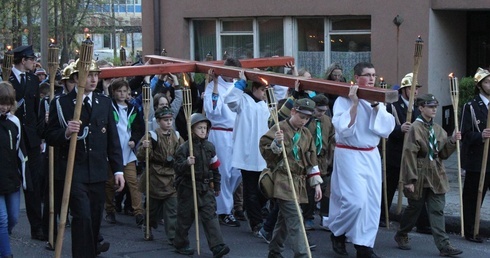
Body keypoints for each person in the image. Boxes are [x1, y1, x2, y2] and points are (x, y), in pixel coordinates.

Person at [45, 59, 125, 258]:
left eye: (96, 75)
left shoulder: (104, 103)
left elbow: (112, 140)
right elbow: (49, 136)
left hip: (97, 172)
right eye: (89, 75)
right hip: (73, 172)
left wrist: (118, 170)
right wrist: (65, 132)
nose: (93, 79)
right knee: (83, 218)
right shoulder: (62, 103)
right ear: (76, 77)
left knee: (95, 220)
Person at [328, 62, 395, 258]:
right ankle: (337, 231)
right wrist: (355, 104)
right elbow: (343, 127)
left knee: (372, 202)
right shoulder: (343, 99)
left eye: (374, 74)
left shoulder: (377, 100)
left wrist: (376, 107)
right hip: (349, 153)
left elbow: (385, 129)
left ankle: (364, 245)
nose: (372, 78)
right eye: (367, 75)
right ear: (357, 78)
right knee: (355, 201)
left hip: (371, 154)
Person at [394, 93, 463, 257]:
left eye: (435, 107)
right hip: (419, 173)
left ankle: (444, 245)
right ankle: (402, 233)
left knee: (437, 209)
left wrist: (452, 141)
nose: (434, 110)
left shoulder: (438, 130)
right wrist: (409, 179)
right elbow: (409, 154)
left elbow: (443, 154)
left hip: (436, 174)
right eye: (430, 107)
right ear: (421, 108)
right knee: (414, 209)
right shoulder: (414, 129)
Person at [259, 98, 323, 258]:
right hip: (282, 179)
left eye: (307, 118)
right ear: (293, 111)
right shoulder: (279, 129)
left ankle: (274, 250)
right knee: (295, 217)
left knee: (283, 219)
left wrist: (316, 184)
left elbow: (311, 159)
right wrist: (276, 144)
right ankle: (302, 254)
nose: (304, 121)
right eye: (301, 116)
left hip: (298, 181)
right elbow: (266, 152)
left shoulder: (307, 134)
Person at [172, 113, 230, 257]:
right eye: (199, 128)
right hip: (188, 188)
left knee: (210, 216)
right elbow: (177, 167)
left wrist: (216, 186)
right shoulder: (185, 148)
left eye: (205, 128)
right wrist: (187, 163)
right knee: (185, 217)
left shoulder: (210, 147)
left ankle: (217, 245)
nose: (203, 131)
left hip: (205, 188)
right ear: (192, 130)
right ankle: (181, 243)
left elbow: (215, 168)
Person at [382, 73, 431, 232]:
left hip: (412, 155)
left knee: (417, 189)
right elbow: (384, 128)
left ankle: (422, 222)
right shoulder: (393, 105)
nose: (415, 91)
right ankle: (382, 216)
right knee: (389, 186)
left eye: (417, 88)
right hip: (395, 153)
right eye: (412, 88)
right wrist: (399, 129)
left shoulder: (418, 107)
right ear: (404, 89)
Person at [223, 69, 270, 229]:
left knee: (264, 189)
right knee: (250, 190)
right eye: (263, 90)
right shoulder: (243, 100)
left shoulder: (265, 104)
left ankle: (252, 211)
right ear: (255, 88)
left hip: (262, 154)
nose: (264, 93)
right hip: (247, 153)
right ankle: (256, 223)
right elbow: (230, 100)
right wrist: (241, 83)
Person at [9, 45, 44, 241]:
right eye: (31, 59)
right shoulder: (8, 79)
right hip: (12, 136)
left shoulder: (32, 79)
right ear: (23, 60)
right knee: (12, 181)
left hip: (31, 139)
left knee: (34, 184)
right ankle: (7, 221)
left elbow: (37, 109)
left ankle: (37, 226)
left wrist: (39, 136)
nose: (34, 62)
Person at [203, 58, 242, 229]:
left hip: (237, 133)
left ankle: (225, 203)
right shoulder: (212, 86)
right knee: (224, 172)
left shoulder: (239, 85)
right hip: (220, 132)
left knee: (237, 171)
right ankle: (224, 211)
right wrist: (216, 85)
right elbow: (213, 110)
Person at [136, 106, 181, 243]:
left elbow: (180, 154)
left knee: (172, 209)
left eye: (170, 119)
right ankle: (148, 225)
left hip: (171, 175)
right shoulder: (151, 136)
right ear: (158, 121)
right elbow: (141, 157)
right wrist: (145, 148)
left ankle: (173, 236)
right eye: (165, 120)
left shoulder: (177, 136)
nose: (168, 122)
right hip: (155, 176)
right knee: (152, 209)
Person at [104, 79, 144, 225]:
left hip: (128, 151)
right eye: (119, 91)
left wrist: (134, 139)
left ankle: (138, 212)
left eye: (124, 91)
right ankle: (110, 210)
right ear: (113, 92)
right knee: (110, 183)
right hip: (112, 151)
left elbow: (139, 127)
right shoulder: (109, 106)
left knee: (133, 182)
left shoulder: (132, 108)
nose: (122, 94)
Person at [460, 67, 490, 243]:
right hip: (477, 159)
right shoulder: (470, 107)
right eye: (487, 82)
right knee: (473, 196)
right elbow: (464, 134)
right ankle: (471, 229)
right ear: (479, 85)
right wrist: (481, 135)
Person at [0, 81, 27, 258]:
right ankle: (6, 253)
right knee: (1, 219)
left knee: (13, 218)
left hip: (11, 177)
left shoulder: (14, 122)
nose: (4, 107)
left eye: (8, 103)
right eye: (1, 103)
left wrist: (24, 178)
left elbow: (19, 151)